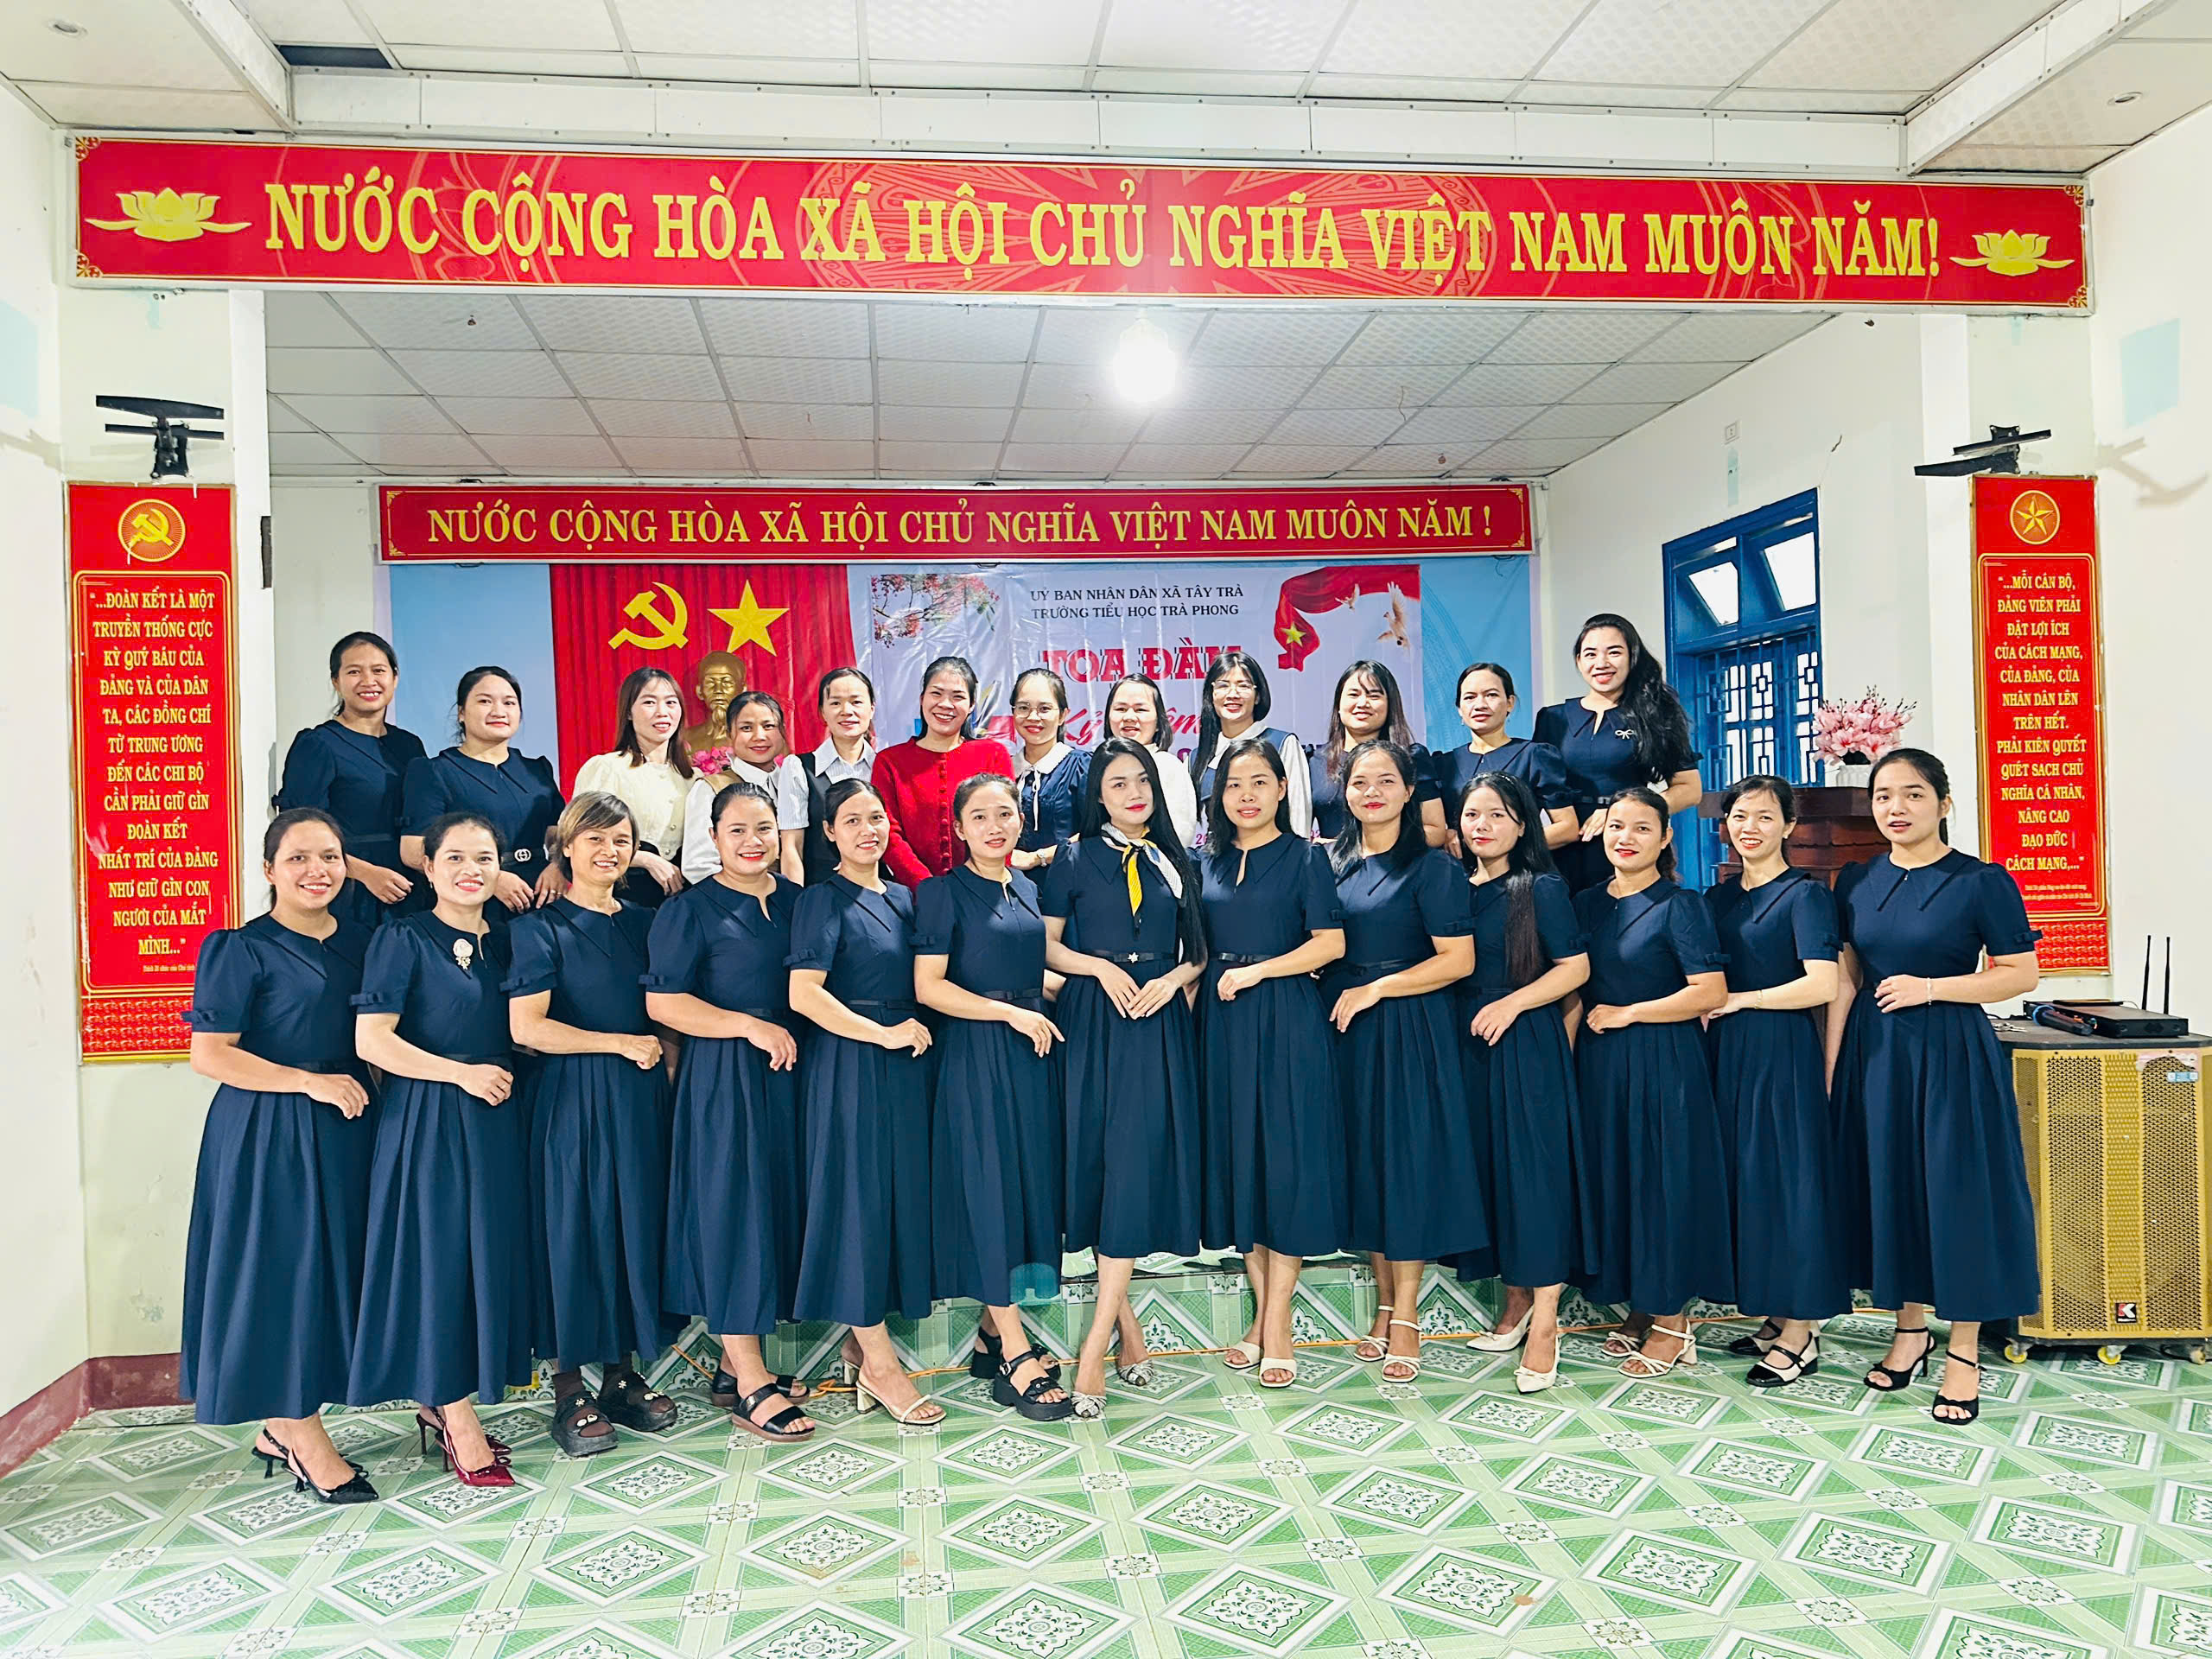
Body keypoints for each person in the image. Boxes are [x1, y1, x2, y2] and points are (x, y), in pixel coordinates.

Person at [1828, 748, 2041, 1427]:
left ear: (1944, 804)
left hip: (1951, 1053)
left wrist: (1931, 989)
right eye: (1884, 796)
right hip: (1875, 1053)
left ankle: (1965, 1350)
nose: (1897, 808)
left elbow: (2020, 974)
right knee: (1892, 1189)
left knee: (1956, 1195)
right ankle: (1909, 1330)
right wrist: (1832, 1066)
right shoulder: (1856, 880)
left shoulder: (1981, 881)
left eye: (1914, 794)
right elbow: (1848, 979)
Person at [181, 809, 378, 1503]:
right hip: (269, 1130)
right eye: (298, 858)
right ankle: (300, 1432)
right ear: (268, 870)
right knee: (280, 1275)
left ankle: (278, 1424)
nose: (316, 871)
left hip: (346, 1125)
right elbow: (210, 1055)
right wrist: (305, 1082)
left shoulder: (364, 943)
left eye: (329, 856)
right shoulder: (241, 949)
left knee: (329, 1277)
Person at [348, 811, 528, 1488]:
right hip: (430, 1116)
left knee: (483, 1259)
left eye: (484, 858)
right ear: (428, 868)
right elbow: (373, 1041)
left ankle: (446, 1396)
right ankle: (454, 1414)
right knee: (440, 1260)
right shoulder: (404, 938)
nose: (470, 871)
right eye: (454, 858)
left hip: (496, 1119)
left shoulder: (506, 941)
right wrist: (459, 1075)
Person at [506, 792, 675, 1458]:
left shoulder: (646, 924)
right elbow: (527, 1027)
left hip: (639, 1098)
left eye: (622, 840)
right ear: (567, 847)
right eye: (596, 839)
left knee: (632, 1229)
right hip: (571, 1098)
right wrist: (617, 1045)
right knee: (575, 1232)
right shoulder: (539, 929)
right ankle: (569, 1387)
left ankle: (621, 1376)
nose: (610, 851)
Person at [1043, 739, 1207, 1417]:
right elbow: (1048, 944)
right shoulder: (1073, 856)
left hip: (1156, 1022)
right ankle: (1125, 1329)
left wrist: (1173, 979)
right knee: (1100, 1164)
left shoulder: (1177, 859)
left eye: (1141, 780)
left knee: (1135, 1166)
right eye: (1117, 783)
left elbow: (1199, 951)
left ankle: (1094, 1349)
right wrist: (1098, 968)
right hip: (1094, 1017)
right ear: (1098, 795)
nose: (1133, 793)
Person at [647, 782, 813, 1442]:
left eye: (764, 828)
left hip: (790, 1075)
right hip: (725, 1077)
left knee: (773, 1210)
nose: (752, 841)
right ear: (713, 838)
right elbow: (665, 1004)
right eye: (737, 829)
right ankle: (750, 1382)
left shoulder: (798, 901)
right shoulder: (689, 910)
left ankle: (731, 1365)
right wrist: (747, 1026)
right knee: (732, 1216)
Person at [914, 774, 1073, 1423]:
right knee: (989, 1193)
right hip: (976, 1055)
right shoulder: (940, 892)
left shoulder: (1028, 888)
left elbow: (1029, 968)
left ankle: (988, 1335)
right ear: (958, 828)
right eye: (978, 816)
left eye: (1004, 814)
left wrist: (1086, 987)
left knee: (1026, 1190)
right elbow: (930, 986)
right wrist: (1009, 1014)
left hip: (1032, 1055)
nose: (994, 826)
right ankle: (1014, 1352)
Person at [787, 778, 944, 1427]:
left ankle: (861, 1348)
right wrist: (880, 1034)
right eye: (851, 820)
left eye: (876, 818)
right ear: (828, 833)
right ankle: (881, 1367)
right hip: (851, 1064)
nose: (867, 830)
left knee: (894, 1205)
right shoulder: (821, 900)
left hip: (907, 1067)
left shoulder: (906, 898)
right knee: (857, 1205)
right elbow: (804, 994)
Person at [1198, 737, 1346, 1389]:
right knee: (1245, 1165)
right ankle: (1262, 1317)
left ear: (1283, 789)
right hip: (1222, 1021)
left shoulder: (1306, 858)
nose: (1247, 795)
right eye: (1234, 785)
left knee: (1285, 1163)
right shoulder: (1206, 862)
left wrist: (1259, 972)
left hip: (1285, 1016)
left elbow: (1329, 944)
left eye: (1260, 782)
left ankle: (1278, 1324)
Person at [1328, 741, 1479, 1384]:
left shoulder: (1432, 867)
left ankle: (1408, 1313)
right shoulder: (1331, 861)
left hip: (1408, 1024)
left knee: (1407, 1164)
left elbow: (1458, 960)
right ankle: (1385, 1302)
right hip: (1345, 1025)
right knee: (1367, 1161)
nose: (1372, 792)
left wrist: (1380, 989)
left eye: (1386, 781)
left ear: (1410, 790)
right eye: (1360, 781)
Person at [1571, 786, 1733, 1377]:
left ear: (1665, 838)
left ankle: (1674, 1321)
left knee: (1661, 1184)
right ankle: (1642, 1305)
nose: (1626, 838)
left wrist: (1631, 1013)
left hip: (1663, 1058)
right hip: (1601, 1062)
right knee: (1619, 1180)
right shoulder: (1588, 903)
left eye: (1643, 828)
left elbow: (1709, 992)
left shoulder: (1680, 905)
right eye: (1617, 826)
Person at [1705, 776, 1848, 1388]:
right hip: (1726, 1051)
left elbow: (1824, 983)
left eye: (1765, 817)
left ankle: (1802, 1330)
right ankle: (1775, 1313)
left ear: (1789, 826)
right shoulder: (1719, 897)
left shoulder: (1806, 896)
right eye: (1740, 816)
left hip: (1781, 1049)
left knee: (1790, 1184)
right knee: (1749, 1181)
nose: (1750, 828)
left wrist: (1745, 1000)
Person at [1450, 772, 1592, 1393]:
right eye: (1471, 815)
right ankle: (1515, 1302)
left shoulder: (1541, 888)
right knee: (1493, 1177)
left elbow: (1574, 969)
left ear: (1522, 824)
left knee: (1534, 1181)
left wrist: (1513, 1004)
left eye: (1497, 815)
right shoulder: (1455, 888)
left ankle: (1546, 1323)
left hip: (1524, 1039)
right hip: (1467, 1043)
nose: (1481, 825)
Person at [1535, 616, 1702, 892]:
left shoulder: (1655, 713)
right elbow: (1536, 789)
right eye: (1591, 654)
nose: (1601, 663)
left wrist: (1621, 813)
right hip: (1563, 848)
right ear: (1578, 661)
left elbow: (1690, 789)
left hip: (1627, 845)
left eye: (1614, 652)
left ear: (1632, 657)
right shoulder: (1552, 718)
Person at [276, 631, 427, 926]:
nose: (368, 681)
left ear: (395, 678)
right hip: (348, 891)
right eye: (354, 672)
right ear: (336, 681)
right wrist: (366, 874)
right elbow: (299, 832)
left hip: (410, 889)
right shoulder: (318, 744)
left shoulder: (409, 745)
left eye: (379, 671)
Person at [400, 667, 565, 929]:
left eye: (509, 703)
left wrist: (559, 865)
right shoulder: (434, 771)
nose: (499, 711)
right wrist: (491, 878)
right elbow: (412, 850)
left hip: (541, 898)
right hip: (473, 901)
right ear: (461, 713)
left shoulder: (537, 770)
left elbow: (558, 835)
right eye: (485, 701)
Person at [875, 655, 1016, 886]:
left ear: (971, 705)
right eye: (937, 693)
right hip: (914, 895)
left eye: (957, 696)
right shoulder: (890, 762)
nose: (946, 704)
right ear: (922, 699)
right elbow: (889, 833)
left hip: (984, 890)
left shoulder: (993, 754)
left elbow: (1005, 823)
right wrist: (927, 888)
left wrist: (985, 884)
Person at [571, 667, 694, 908]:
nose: (662, 712)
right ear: (628, 711)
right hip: (623, 894)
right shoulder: (607, 768)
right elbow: (580, 839)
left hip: (683, 900)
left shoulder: (694, 778)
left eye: (671, 702)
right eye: (649, 702)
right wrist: (646, 859)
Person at [1434, 663, 1577, 852]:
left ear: (1510, 702)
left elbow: (1567, 827)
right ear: (1460, 708)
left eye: (1491, 695)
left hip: (1518, 867)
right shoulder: (1443, 764)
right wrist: (1444, 834)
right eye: (1469, 697)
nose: (1480, 705)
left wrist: (1508, 845)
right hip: (1459, 868)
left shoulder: (1534, 756)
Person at [1308, 660, 1446, 847]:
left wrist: (1349, 847)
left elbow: (1435, 831)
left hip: (1396, 863)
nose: (1362, 703)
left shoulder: (1411, 757)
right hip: (1330, 864)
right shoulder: (1313, 760)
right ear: (1338, 706)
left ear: (1390, 705)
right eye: (1354, 694)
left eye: (1374, 695)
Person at [681, 691, 807, 884]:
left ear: (783, 731)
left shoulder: (797, 782)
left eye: (768, 726)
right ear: (729, 734)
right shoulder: (711, 789)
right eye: (746, 728)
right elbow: (699, 866)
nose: (759, 736)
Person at [1188, 652, 1310, 847]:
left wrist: (1297, 856)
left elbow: (1298, 814)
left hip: (1275, 857)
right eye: (1223, 685)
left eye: (1243, 686)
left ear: (1258, 695)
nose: (1233, 694)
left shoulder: (1281, 743)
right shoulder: (1196, 758)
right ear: (1212, 695)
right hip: (1217, 860)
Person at [797, 666, 878, 884]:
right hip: (820, 890)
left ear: (871, 709)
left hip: (879, 888)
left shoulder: (886, 766)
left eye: (856, 702)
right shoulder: (799, 768)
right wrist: (796, 900)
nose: (847, 711)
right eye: (835, 703)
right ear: (823, 712)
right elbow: (792, 847)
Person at [1009, 666, 1090, 871]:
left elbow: (1096, 832)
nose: (1033, 717)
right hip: (1012, 884)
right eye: (1023, 707)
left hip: (1070, 882)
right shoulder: (1003, 770)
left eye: (1044, 709)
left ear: (1063, 715)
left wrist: (1038, 858)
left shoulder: (1082, 767)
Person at [1105, 674, 1198, 849]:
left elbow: (1180, 834)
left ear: (1158, 722)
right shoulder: (1098, 766)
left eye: (1140, 710)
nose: (1129, 717)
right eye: (1121, 709)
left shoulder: (1168, 765)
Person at [679, 650, 747, 756]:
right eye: (710, 683)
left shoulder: (755, 737)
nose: (718, 690)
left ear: (742, 690)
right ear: (700, 691)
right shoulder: (685, 738)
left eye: (726, 682)